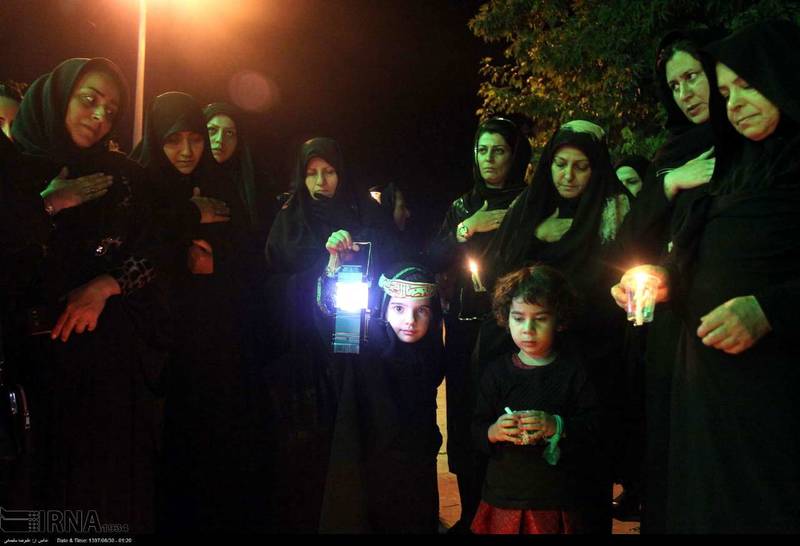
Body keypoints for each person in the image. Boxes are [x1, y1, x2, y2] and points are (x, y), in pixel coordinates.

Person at [612, 19, 800, 533]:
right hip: (706, 388)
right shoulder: (736, 163)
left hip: (775, 392)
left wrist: (770, 311)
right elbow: (703, 249)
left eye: (747, 85)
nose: (734, 103)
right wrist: (663, 278)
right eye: (726, 92)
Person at [7, 57, 160, 531]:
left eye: (110, 111)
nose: (98, 116)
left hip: (94, 367)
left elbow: (156, 247)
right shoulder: (11, 169)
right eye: (88, 100)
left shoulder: (119, 177)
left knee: (90, 494)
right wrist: (49, 204)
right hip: (21, 365)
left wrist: (106, 284)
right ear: (58, 97)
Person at [485, 119, 631, 533]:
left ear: (596, 169)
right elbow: (498, 270)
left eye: (581, 166)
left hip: (592, 357)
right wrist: (536, 234)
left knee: (585, 476)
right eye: (560, 164)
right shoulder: (531, 207)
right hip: (531, 360)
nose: (568, 176)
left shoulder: (613, 210)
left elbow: (619, 275)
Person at [610, 28, 725, 531]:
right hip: (669, 322)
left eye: (693, 76)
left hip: (723, 320)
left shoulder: (750, 141)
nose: (685, 93)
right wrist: (673, 183)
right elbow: (633, 237)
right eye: (674, 85)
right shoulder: (674, 155)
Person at [132, 90, 262, 531]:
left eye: (195, 139)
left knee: (208, 451)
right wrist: (187, 218)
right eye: (173, 140)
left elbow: (249, 259)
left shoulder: (221, 187)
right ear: (156, 139)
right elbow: (136, 250)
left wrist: (216, 263)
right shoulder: (140, 186)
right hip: (153, 345)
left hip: (212, 345)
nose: (187, 151)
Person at [261, 136, 396, 532]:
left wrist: (359, 253)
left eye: (329, 171)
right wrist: (327, 265)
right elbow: (271, 287)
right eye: (311, 173)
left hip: (363, 353)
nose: (321, 182)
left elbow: (393, 263)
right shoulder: (289, 220)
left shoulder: (366, 214)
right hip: (307, 358)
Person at [425, 116, 531, 533]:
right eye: (482, 150)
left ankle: (504, 515)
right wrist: (469, 228)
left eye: (499, 151)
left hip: (510, 332)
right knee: (467, 418)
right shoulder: (463, 206)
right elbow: (434, 255)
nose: (489, 159)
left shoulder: (527, 203)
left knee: (503, 416)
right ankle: (471, 514)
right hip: (464, 332)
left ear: (514, 156)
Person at [471, 264, 599, 534]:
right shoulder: (496, 373)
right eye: (518, 318)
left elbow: (595, 427)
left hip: (555, 497)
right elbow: (476, 428)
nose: (528, 329)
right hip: (504, 494)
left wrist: (557, 425)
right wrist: (494, 431)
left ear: (559, 320)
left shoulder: (573, 372)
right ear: (506, 318)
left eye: (540, 319)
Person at [318, 262, 444, 533]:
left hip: (418, 468)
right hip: (373, 468)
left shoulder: (432, 354)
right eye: (398, 308)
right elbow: (333, 321)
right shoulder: (364, 348)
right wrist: (337, 268)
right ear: (384, 308)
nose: (410, 320)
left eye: (422, 310)